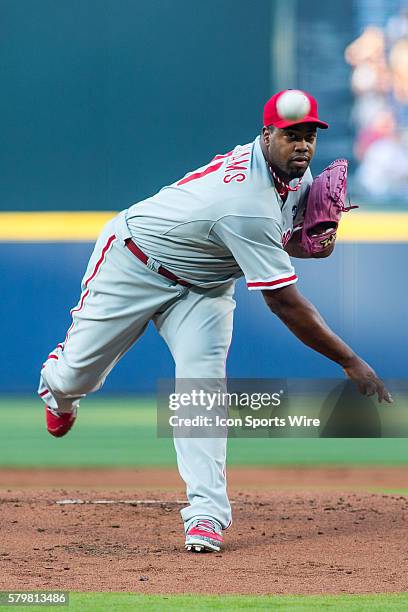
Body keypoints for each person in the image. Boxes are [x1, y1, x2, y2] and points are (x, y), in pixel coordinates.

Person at [38, 89, 391, 553]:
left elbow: (286, 237)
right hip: (134, 263)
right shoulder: (244, 198)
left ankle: (205, 515)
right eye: (291, 136)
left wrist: (306, 240)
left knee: (201, 392)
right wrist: (350, 361)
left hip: (203, 290)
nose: (302, 146)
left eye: (309, 136)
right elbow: (285, 303)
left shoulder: (293, 183)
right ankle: (58, 389)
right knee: (74, 375)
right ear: (266, 135)